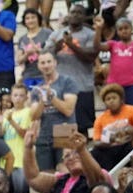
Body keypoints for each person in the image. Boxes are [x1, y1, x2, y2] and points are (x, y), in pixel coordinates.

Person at [48, 4, 97, 135]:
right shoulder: (56, 33)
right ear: (68, 15)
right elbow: (45, 56)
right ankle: (65, 155)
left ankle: (82, 154)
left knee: (81, 127)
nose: (75, 15)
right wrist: (56, 48)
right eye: (73, 12)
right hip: (60, 88)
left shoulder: (91, 34)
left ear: (85, 17)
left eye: (79, 13)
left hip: (82, 86)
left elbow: (91, 56)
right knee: (61, 126)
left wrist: (71, 45)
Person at [94, 13, 133, 107]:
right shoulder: (113, 44)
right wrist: (99, 29)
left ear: (131, 29)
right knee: (115, 111)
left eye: (126, 28)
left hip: (132, 83)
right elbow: (97, 46)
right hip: (114, 85)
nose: (124, 31)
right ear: (117, 31)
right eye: (120, 29)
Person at [30, 51, 79, 172]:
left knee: (66, 170)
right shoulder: (37, 89)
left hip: (65, 130)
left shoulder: (67, 82)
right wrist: (43, 99)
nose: (46, 65)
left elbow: (68, 110)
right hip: (44, 134)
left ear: (55, 63)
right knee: (46, 175)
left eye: (48, 62)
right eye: (42, 63)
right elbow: (34, 116)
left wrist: (51, 96)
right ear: (38, 66)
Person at [91, 83, 133, 171]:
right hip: (110, 148)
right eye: (108, 99)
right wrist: (110, 140)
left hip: (128, 146)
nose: (111, 101)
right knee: (94, 152)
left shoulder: (132, 110)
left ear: (121, 99)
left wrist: (127, 131)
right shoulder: (100, 119)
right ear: (105, 103)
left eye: (114, 98)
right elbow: (96, 142)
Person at [1, 83, 34, 193]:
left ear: (26, 97)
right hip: (5, 159)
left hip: (20, 159)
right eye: (15, 95)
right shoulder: (7, 113)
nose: (18, 98)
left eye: (21, 95)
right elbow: (2, 134)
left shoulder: (28, 112)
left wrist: (11, 121)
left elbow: (24, 134)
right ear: (11, 97)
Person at [17, 8, 52, 89]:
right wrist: (27, 54)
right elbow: (19, 60)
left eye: (33, 17)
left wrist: (38, 50)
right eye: (27, 18)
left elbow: (53, 53)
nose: (30, 20)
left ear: (38, 19)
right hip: (29, 76)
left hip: (45, 75)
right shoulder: (23, 39)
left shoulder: (47, 33)